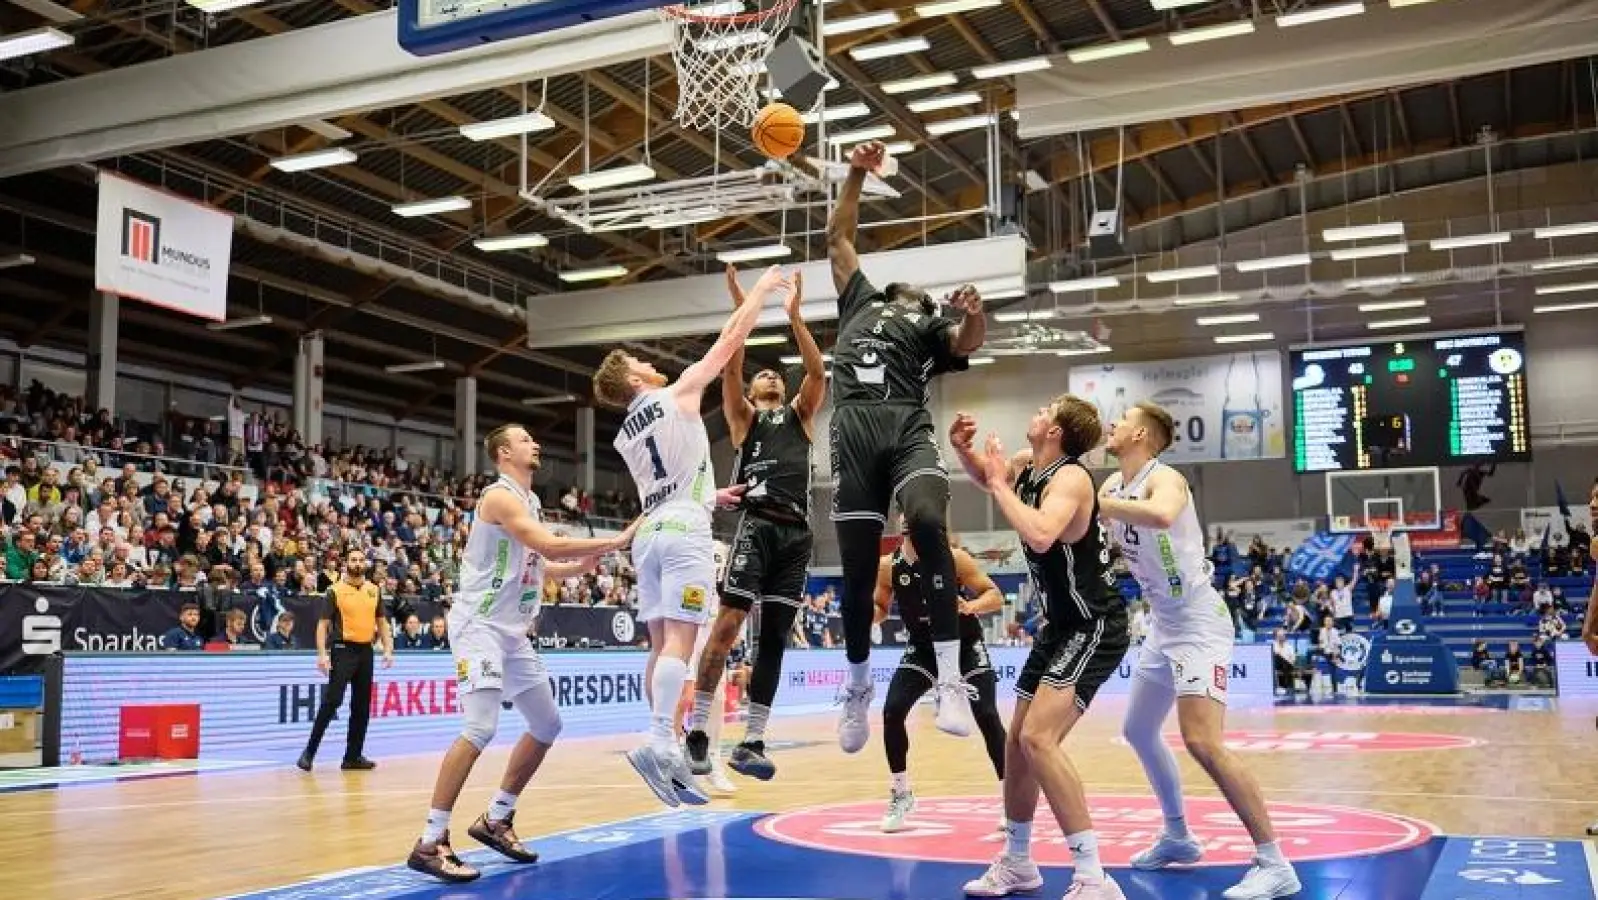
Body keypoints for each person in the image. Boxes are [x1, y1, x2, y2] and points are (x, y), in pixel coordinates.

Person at [592, 264, 795, 807]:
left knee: (660, 647)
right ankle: (661, 741)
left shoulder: (625, 434)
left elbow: (667, 484)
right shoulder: (674, 395)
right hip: (683, 533)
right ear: (635, 382)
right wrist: (756, 293)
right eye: (641, 362)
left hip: (654, 530)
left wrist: (711, 497)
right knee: (682, 644)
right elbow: (730, 342)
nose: (651, 363)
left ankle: (668, 747)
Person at [406, 424, 636, 883]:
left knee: (547, 723)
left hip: (511, 633)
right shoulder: (499, 496)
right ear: (504, 452)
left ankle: (496, 818)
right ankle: (430, 841)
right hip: (479, 626)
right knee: (479, 726)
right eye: (526, 438)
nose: (536, 442)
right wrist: (614, 540)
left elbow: (538, 560)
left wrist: (579, 567)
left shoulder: (529, 502)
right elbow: (546, 543)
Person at [1099, 401, 1300, 900]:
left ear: (1142, 433)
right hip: (1163, 623)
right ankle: (1178, 836)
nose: (1112, 424)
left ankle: (1275, 863)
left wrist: (1099, 505)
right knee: (1138, 730)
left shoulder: (1166, 479)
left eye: (1121, 418)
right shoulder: (1109, 486)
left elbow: (1163, 515)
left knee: (1203, 742)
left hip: (1198, 623)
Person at [825, 139, 987, 752]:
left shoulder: (928, 325)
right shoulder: (860, 301)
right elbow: (837, 240)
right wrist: (855, 172)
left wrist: (976, 312)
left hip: (905, 429)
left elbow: (971, 340)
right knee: (861, 571)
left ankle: (949, 678)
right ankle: (859, 685)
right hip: (854, 431)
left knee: (925, 524)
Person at [950, 397, 1129, 900]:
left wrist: (1001, 485)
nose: (1037, 410)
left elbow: (1043, 533)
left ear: (1054, 428)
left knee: (1040, 739)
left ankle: (1095, 876)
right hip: (1058, 625)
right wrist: (964, 452)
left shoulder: (1071, 478)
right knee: (1016, 742)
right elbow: (992, 477)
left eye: (1046, 407)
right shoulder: (1030, 466)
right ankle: (1018, 862)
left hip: (1093, 623)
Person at [685, 265, 826, 784]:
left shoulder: (801, 415)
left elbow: (817, 373)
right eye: (759, 373)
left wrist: (794, 318)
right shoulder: (743, 418)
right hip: (757, 526)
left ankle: (753, 740)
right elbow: (728, 366)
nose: (768, 375)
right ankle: (698, 730)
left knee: (774, 641)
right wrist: (745, 313)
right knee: (725, 630)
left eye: (775, 373)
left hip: (796, 536)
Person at [874, 520, 1005, 832]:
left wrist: (971, 605)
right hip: (923, 649)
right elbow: (880, 605)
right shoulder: (886, 566)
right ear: (902, 525)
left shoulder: (955, 558)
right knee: (892, 711)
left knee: (986, 713)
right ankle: (901, 793)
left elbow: (995, 595)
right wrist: (863, 614)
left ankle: (1010, 795)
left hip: (965, 645)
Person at [297, 549, 394, 772]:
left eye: (361, 560)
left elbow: (382, 622)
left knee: (361, 706)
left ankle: (352, 756)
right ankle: (309, 752)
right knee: (332, 701)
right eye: (353, 560)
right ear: (346, 563)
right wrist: (322, 654)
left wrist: (388, 648)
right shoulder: (335, 591)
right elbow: (322, 625)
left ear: (365, 564)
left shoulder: (373, 590)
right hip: (342, 649)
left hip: (366, 651)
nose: (357, 563)